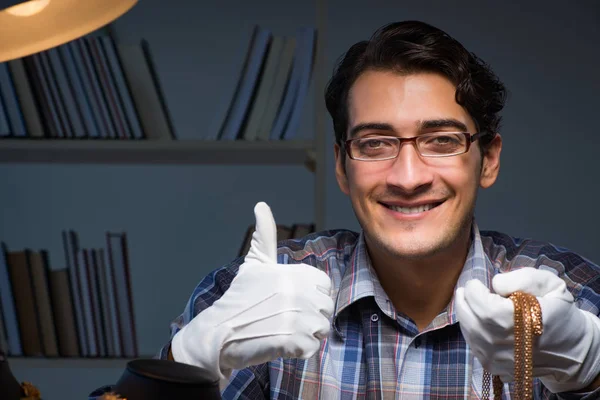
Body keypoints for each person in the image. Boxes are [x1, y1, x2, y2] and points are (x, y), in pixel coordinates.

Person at [91, 20, 600, 399]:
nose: (407, 176)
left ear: (487, 160)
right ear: (341, 165)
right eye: (376, 143)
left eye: (441, 141)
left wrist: (592, 374)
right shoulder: (258, 296)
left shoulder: (570, 294)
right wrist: (187, 365)